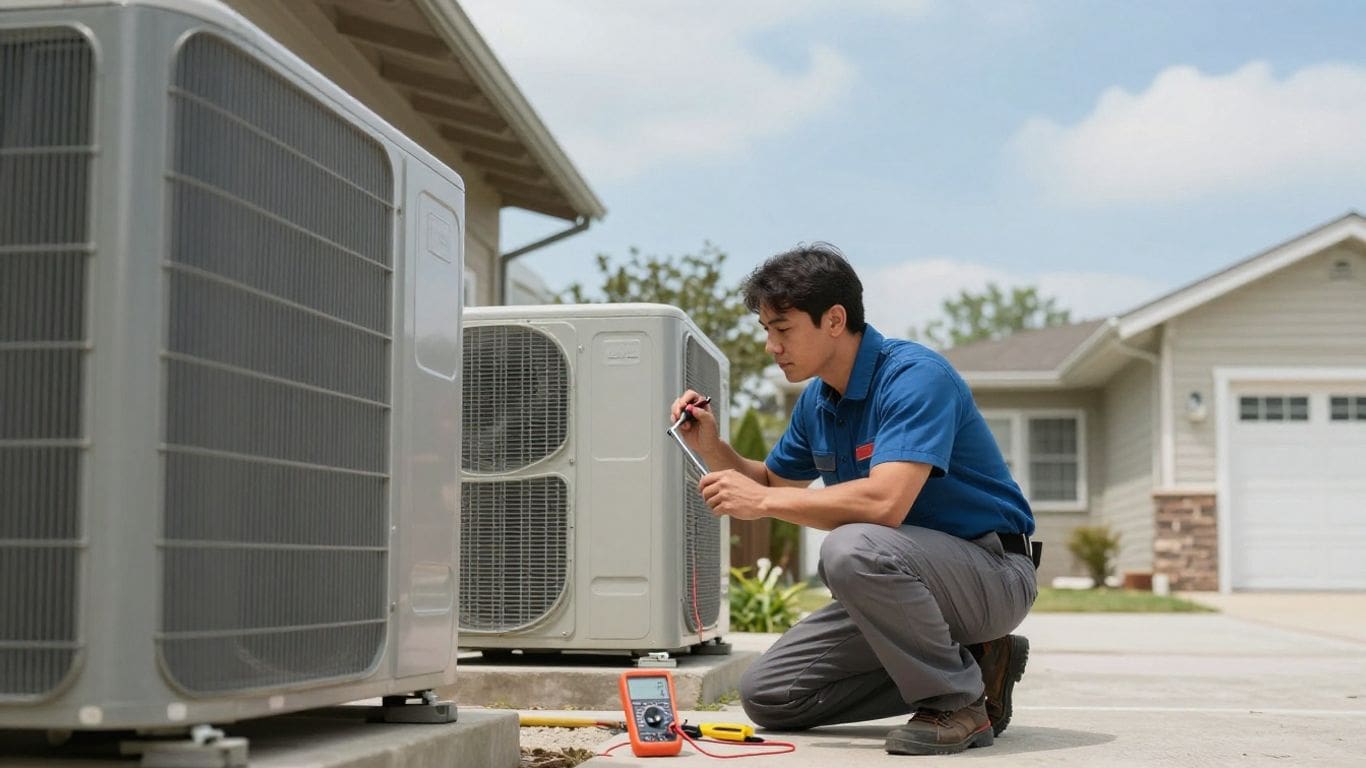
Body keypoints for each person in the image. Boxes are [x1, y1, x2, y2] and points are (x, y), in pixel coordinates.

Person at [670, 243, 1037, 756]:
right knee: (770, 695)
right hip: (905, 587)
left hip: (991, 572)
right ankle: (978, 666)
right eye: (766, 330)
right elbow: (773, 485)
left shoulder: (914, 377)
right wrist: (711, 446)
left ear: (835, 320)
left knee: (849, 548)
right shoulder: (817, 402)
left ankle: (956, 704)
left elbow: (886, 504)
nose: (772, 346)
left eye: (783, 329)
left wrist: (762, 502)